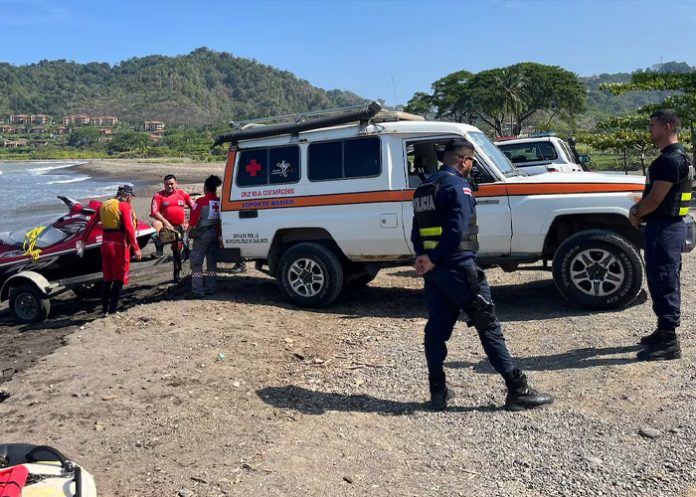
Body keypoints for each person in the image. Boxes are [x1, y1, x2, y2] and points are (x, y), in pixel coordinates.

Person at [411, 138, 553, 411]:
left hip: (436, 273)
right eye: (472, 162)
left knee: (436, 329)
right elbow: (456, 230)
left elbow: (417, 230)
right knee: (488, 325)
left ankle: (438, 391)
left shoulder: (424, 189)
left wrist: (424, 258)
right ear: (463, 160)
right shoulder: (457, 186)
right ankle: (517, 390)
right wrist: (435, 258)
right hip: (460, 269)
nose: (472, 167)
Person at [630, 109, 694, 361]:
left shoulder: (669, 161)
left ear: (667, 127)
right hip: (669, 226)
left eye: (653, 126)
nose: (650, 131)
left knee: (664, 280)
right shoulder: (680, 157)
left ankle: (669, 341)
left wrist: (636, 211)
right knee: (660, 279)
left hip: (664, 227)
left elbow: (655, 199)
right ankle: (662, 330)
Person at [96, 185, 142, 316]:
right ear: (128, 196)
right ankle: (112, 310)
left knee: (107, 278)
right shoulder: (124, 206)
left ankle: (104, 310)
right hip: (119, 246)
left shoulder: (104, 205)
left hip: (105, 245)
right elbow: (129, 228)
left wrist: (82, 241)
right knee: (119, 278)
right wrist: (136, 248)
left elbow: (91, 223)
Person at [150, 174, 194, 282]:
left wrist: (189, 222)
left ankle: (180, 271)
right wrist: (165, 222)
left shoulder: (182, 193)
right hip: (168, 228)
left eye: (172, 184)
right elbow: (154, 211)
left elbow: (194, 207)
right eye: (167, 184)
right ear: (163, 185)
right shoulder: (158, 196)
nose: (170, 186)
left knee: (181, 251)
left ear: (176, 184)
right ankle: (160, 246)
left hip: (181, 226)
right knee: (155, 223)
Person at [188, 175, 222, 297]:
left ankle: (197, 290)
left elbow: (193, 221)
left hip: (203, 234)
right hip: (215, 233)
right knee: (211, 262)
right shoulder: (219, 202)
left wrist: (187, 233)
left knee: (196, 262)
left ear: (205, 187)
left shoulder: (200, 201)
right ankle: (211, 288)